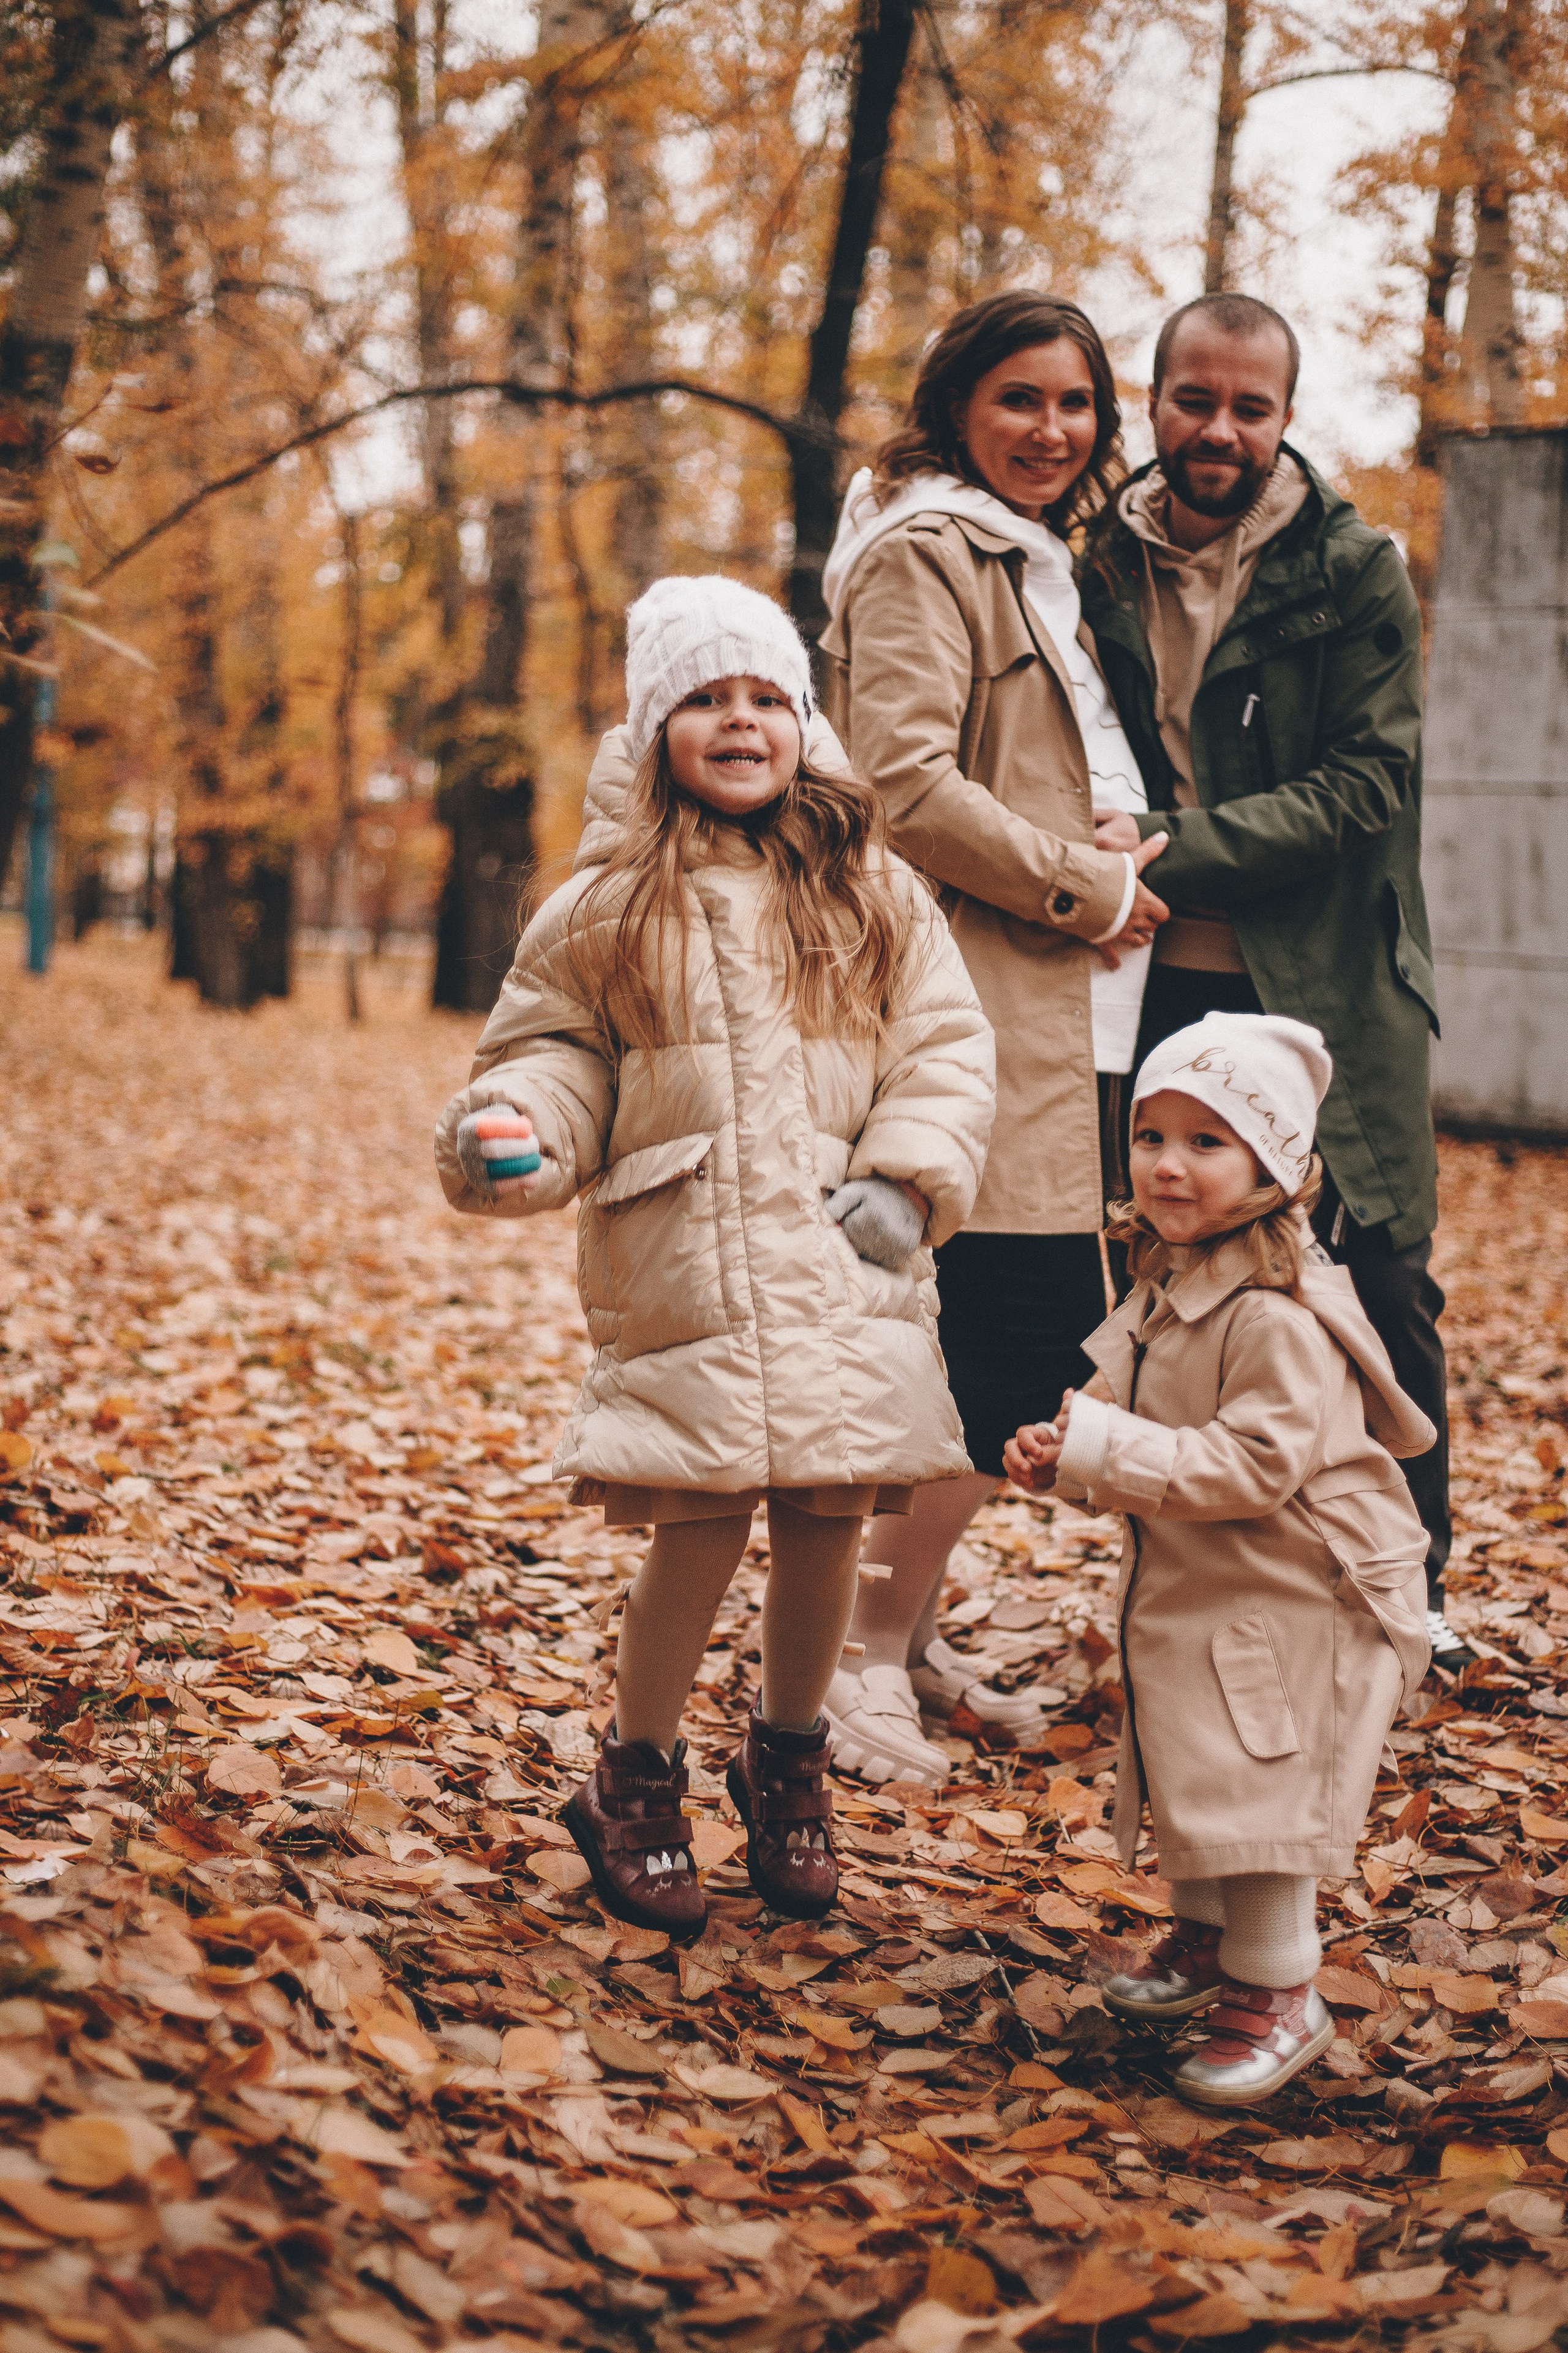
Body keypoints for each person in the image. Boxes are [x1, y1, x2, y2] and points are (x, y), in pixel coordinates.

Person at [434, 575, 995, 1938]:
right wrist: (514, 1131)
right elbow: (548, 1059)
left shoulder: (871, 888)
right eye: (703, 698)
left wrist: (911, 1177)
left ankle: (786, 1757)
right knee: (693, 1517)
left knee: (825, 1517)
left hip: (844, 1258)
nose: (738, 722)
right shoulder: (603, 905)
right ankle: (635, 1772)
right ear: (651, 728)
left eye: (764, 697)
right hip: (682, 1257)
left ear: (803, 721)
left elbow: (945, 1045)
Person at [1080, 289, 1466, 1669]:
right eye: (1194, 398)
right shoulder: (1090, 562)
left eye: (1248, 406)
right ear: (1154, 400)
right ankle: (1196, 1598)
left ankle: (1405, 1598)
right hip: (1141, 991)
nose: (1218, 428)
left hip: (1326, 984)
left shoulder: (1349, 567)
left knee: (1378, 1283)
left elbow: (1366, 783)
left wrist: (1170, 847)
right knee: (1159, 1286)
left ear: (1284, 419)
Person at [816, 290, 1169, 1786]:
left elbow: (1027, 768)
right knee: (1002, 1354)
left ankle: (898, 1634)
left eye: (1078, 405)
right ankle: (846, 1663)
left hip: (1063, 1008)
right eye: (1019, 399)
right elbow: (898, 784)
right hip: (975, 1012)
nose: (1053, 430)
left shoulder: (1036, 566)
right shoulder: (922, 555)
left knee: (989, 1345)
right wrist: (1085, 882)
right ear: (957, 402)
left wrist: (1119, 839)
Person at [1005, 1012, 1433, 2107]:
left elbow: (1251, 1465)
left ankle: (1281, 1986)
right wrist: (1069, 1446)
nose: (1168, 1164)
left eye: (1208, 1141)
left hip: (1305, 1591)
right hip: (1218, 1579)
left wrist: (1106, 1447)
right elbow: (1131, 1402)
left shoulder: (1277, 1311)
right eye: (1152, 1135)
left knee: (1262, 1783)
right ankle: (1208, 1937)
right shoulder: (1173, 1278)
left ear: (1274, 1166)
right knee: (1195, 1746)